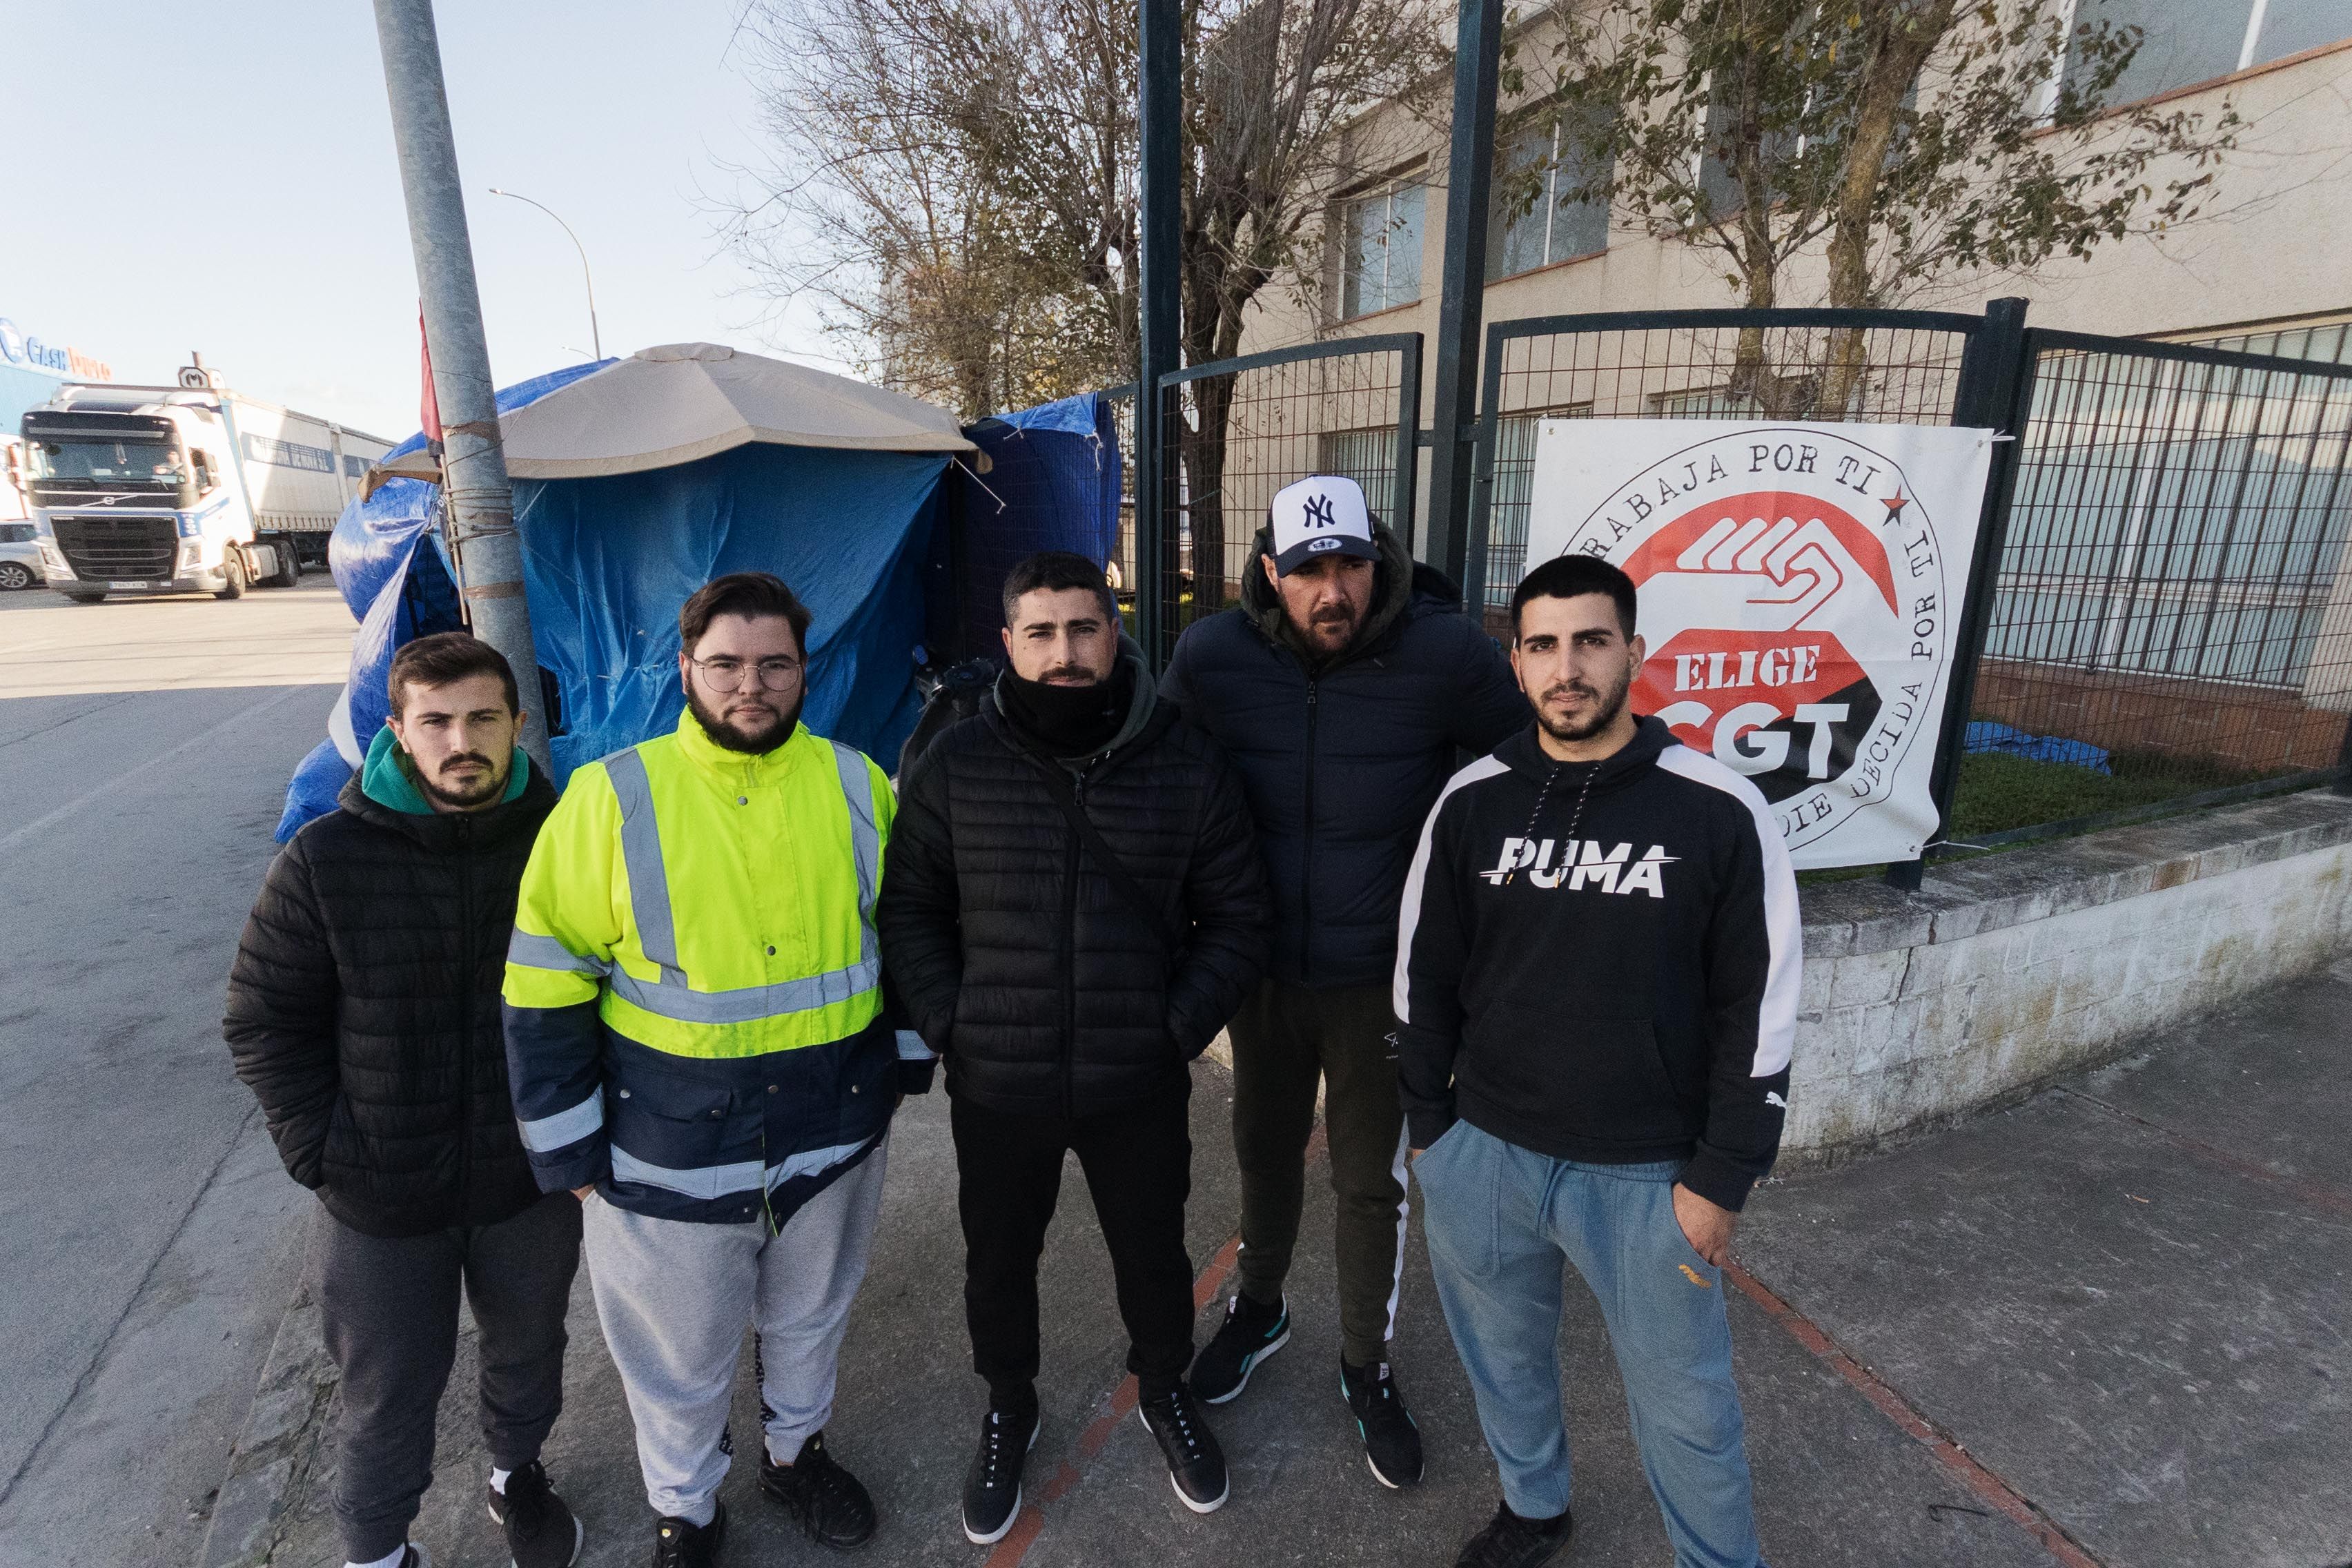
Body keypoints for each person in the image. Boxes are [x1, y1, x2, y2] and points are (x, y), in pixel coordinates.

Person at [502, 573, 934, 1568]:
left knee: (811, 1315)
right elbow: (545, 978)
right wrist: (565, 1142)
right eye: (728, 664)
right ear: (686, 669)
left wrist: (905, 1065)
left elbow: (909, 936)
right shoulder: (610, 797)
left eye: (775, 663)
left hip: (831, 1130)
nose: (753, 685)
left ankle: (794, 1456)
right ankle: (686, 1509)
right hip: (666, 1145)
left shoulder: (858, 784)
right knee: (677, 1359)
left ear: (803, 671)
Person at [1395, 554, 1799, 1568]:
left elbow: (1759, 1004)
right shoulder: (1472, 802)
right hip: (1485, 1153)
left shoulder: (1714, 809)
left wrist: (1723, 1176)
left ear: (1634, 652)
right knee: (1507, 1365)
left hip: (1647, 1177)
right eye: (1542, 645)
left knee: (1689, 1412)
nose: (1566, 667)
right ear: (1517, 662)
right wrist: (1433, 1137)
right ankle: (1536, 1509)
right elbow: (1423, 977)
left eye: (1590, 641)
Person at [878, 551, 1270, 1540]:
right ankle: (1011, 1403)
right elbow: (911, 909)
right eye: (1041, 633)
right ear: (1008, 643)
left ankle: (1165, 1387)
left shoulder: (1183, 756)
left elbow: (1237, 917)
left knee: (1152, 1251)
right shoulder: (958, 761)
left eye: (1083, 629)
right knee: (998, 1260)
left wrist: (1174, 1028)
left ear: (1115, 632)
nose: (1065, 653)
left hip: (1134, 1077)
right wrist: (951, 1022)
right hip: (998, 1080)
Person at [1159, 473, 1525, 1487]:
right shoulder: (1212, 655)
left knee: (1370, 1182)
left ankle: (1366, 1366)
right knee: (1263, 1154)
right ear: (1271, 573)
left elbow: (1525, 771)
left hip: (1383, 980)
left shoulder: (1444, 650)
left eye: (1350, 566)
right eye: (1309, 570)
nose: (1333, 591)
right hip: (1259, 970)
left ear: (1380, 561)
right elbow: (1162, 784)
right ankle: (1261, 1308)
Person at [225, 632, 582, 1568]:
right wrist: (324, 1152)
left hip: (527, 1179)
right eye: (436, 722)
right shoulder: (326, 859)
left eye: (482, 719)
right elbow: (263, 1019)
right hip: (379, 1194)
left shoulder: (567, 845)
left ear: (516, 726)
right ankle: (377, 1549)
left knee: (530, 1348)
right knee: (386, 1390)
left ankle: (517, 1472)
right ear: (399, 730)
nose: (460, 741)